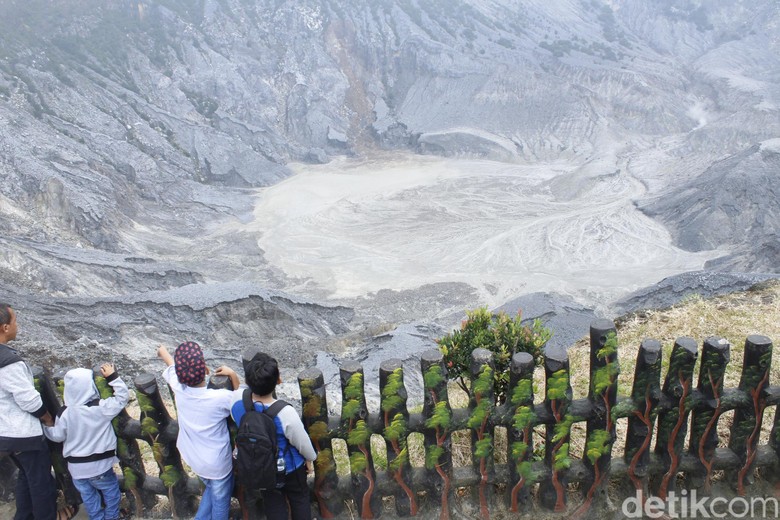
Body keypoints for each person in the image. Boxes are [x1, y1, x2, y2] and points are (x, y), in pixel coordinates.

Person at [157, 342, 239, 520]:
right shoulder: (220, 398)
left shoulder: (179, 389)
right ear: (205, 369)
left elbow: (172, 367)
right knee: (220, 500)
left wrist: (163, 352)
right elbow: (241, 401)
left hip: (194, 458)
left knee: (211, 488)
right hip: (217, 464)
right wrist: (233, 375)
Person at [231, 352, 316, 520]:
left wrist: (232, 375)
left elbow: (237, 393)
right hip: (290, 468)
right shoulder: (285, 413)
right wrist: (310, 459)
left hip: (263, 467)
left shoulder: (238, 406)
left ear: (248, 382)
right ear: (279, 380)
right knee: (299, 498)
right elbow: (302, 443)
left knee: (273, 502)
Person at [43, 363, 129, 520]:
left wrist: (46, 427)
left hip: (77, 469)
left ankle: (96, 518)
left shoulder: (64, 413)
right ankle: (111, 517)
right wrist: (113, 377)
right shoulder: (100, 408)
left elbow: (57, 436)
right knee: (111, 493)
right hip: (100, 466)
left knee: (89, 498)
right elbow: (123, 397)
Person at [0, 302, 59, 520]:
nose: (17, 325)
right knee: (41, 483)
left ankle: (23, 517)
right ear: (5, 327)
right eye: (14, 321)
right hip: (22, 434)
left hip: (4, 434)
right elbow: (29, 400)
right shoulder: (8, 361)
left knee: (26, 477)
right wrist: (47, 418)